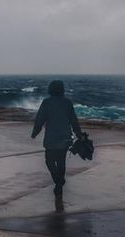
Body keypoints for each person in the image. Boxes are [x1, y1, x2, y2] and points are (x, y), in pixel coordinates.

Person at [31, 80, 83, 211]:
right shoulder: (67, 103)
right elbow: (74, 121)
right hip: (65, 137)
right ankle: (59, 183)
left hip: (51, 138)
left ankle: (58, 181)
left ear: (51, 89)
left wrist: (34, 133)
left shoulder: (46, 102)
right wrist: (79, 134)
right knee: (61, 161)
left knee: (49, 161)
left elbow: (40, 120)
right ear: (62, 89)